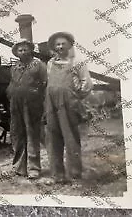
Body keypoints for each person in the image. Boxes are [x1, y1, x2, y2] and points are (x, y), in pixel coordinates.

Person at [44, 32, 93, 185]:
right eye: (57, 44)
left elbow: (87, 83)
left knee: (71, 138)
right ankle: (57, 175)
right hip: (51, 105)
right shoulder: (50, 63)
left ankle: (75, 174)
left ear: (70, 45)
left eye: (63, 44)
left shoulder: (77, 62)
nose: (60, 47)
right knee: (53, 139)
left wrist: (75, 98)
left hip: (69, 105)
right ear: (53, 47)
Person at [6, 40, 47, 179]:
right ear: (16, 53)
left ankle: (34, 168)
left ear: (30, 50)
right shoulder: (14, 67)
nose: (23, 52)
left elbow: (45, 84)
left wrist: (41, 101)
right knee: (17, 134)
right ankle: (20, 168)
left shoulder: (39, 65)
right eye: (20, 50)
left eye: (25, 49)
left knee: (32, 134)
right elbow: (12, 83)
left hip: (32, 104)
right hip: (15, 104)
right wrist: (11, 93)